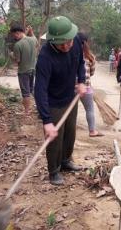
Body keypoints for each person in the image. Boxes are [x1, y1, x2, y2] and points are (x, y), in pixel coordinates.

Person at [34, 16, 87, 185]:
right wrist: (46, 120)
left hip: (70, 96)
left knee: (70, 133)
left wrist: (81, 81)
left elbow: (80, 62)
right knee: (54, 139)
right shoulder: (45, 56)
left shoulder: (76, 41)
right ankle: (54, 170)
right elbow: (40, 89)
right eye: (61, 43)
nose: (66, 46)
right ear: (52, 41)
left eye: (68, 42)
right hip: (53, 102)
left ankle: (65, 161)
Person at [77, 32, 104, 137]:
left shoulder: (70, 54)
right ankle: (92, 131)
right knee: (89, 109)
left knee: (70, 110)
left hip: (72, 87)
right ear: (86, 42)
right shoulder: (90, 56)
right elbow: (92, 72)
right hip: (86, 87)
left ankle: (67, 130)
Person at [10, 24, 38, 114]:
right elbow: (34, 38)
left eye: (14, 35)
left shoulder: (17, 45)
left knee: (25, 92)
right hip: (33, 69)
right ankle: (40, 106)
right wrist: (31, 31)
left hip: (23, 72)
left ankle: (26, 111)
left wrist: (11, 55)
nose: (14, 37)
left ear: (18, 33)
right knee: (32, 89)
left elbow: (17, 61)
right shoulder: (33, 40)